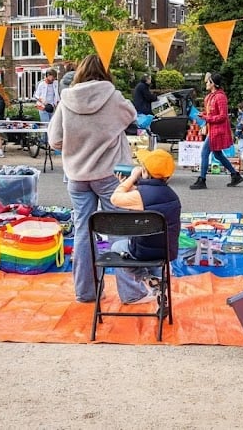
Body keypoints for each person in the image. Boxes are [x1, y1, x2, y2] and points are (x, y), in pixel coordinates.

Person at [48, 54, 136, 303]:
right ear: (105, 73)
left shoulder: (66, 100)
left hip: (77, 175)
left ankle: (85, 291)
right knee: (119, 230)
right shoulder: (113, 96)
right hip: (110, 173)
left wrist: (77, 144)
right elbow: (131, 115)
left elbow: (54, 140)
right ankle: (131, 292)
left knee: (83, 231)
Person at [109, 148, 182, 304]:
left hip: (142, 251)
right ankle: (160, 287)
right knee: (155, 252)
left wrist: (130, 179)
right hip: (167, 251)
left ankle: (147, 278)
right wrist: (134, 186)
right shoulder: (172, 195)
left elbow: (115, 199)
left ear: (144, 171)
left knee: (116, 247)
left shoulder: (140, 196)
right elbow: (151, 196)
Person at [190, 73, 243, 189]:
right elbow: (211, 113)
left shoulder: (220, 97)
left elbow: (223, 116)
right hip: (213, 129)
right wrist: (203, 114)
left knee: (204, 153)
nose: (206, 83)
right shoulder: (210, 96)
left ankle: (202, 180)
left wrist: (206, 118)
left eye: (208, 82)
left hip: (218, 130)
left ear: (213, 83)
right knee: (217, 154)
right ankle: (235, 175)